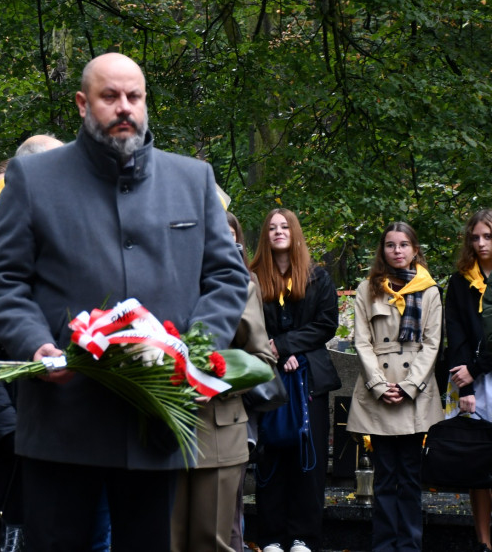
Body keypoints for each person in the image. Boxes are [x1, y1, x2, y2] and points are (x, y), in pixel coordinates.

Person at [0, 52, 248, 552]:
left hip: (155, 420)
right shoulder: (33, 178)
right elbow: (1, 279)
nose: (124, 107)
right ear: (83, 103)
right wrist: (35, 344)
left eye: (134, 96)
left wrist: (188, 351)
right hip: (62, 417)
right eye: (109, 97)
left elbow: (228, 278)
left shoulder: (192, 178)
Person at [171, 212, 275, 552]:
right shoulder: (159, 283)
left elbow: (260, 361)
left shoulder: (241, 287)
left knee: (212, 543)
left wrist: (213, 382)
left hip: (218, 430)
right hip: (164, 429)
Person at [346, 221, 442, 552]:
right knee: (385, 478)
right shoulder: (367, 288)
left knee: (411, 477)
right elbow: (361, 341)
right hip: (380, 391)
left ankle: (410, 546)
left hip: (415, 392)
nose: (397, 250)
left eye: (403, 245)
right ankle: (385, 546)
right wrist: (378, 384)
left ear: (415, 250)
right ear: (382, 250)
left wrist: (410, 385)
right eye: (390, 245)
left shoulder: (429, 290)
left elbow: (432, 343)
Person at [250, 208, 340, 552]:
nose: (278, 231)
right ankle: (271, 536)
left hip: (309, 379)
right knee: (270, 454)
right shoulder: (255, 276)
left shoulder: (318, 277)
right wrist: (275, 350)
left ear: (294, 232)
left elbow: (326, 324)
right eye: (271, 227)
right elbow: (251, 321)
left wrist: (288, 345)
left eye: (284, 226)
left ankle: (303, 536)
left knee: (309, 456)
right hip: (269, 377)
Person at [445, 209, 492, 552]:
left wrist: (478, 367)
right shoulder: (460, 281)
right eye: (475, 237)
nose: (481, 244)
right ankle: (483, 542)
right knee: (479, 464)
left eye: (488, 236)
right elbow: (457, 333)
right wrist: (466, 385)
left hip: (483, 370)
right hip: (473, 382)